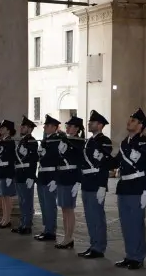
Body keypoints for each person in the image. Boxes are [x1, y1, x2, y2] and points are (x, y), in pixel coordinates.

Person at [114, 108, 146, 270]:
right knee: (126, 224)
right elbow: (116, 161)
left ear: (140, 125)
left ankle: (138, 257)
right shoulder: (125, 142)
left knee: (136, 224)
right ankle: (130, 255)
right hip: (124, 187)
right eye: (129, 119)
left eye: (132, 121)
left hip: (137, 187)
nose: (128, 122)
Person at [78, 110, 113, 259]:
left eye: (92, 122)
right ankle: (93, 244)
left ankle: (99, 247)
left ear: (99, 125)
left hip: (96, 182)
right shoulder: (90, 141)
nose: (89, 124)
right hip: (87, 182)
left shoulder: (104, 141)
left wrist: (102, 185)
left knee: (97, 216)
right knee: (90, 216)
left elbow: (104, 165)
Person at [55, 116, 84, 249]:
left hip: (71, 177)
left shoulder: (79, 142)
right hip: (62, 176)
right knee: (63, 208)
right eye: (67, 126)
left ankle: (69, 237)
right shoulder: (64, 140)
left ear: (77, 129)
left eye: (70, 126)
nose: (67, 128)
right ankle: (66, 236)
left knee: (69, 208)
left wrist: (78, 181)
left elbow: (80, 163)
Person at [35, 115, 64, 242]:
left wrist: (55, 179)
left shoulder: (57, 140)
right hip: (42, 175)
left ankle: (51, 231)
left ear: (54, 127)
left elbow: (59, 160)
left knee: (50, 204)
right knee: (43, 204)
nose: (44, 127)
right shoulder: (45, 140)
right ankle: (46, 228)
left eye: (47, 125)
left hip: (51, 175)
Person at [12, 116, 38, 235]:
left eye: (23, 127)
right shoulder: (22, 141)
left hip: (26, 174)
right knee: (22, 201)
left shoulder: (31, 141)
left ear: (29, 128)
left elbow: (33, 161)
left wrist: (31, 176)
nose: (21, 128)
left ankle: (27, 225)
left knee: (27, 201)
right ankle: (23, 223)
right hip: (19, 174)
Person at [0, 120, 17, 229]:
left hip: (6, 171)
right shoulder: (1, 141)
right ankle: (4, 217)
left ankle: (7, 219)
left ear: (8, 130)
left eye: (3, 128)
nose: (1, 130)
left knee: (7, 197)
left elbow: (12, 160)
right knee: (3, 196)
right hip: (0, 171)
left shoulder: (10, 142)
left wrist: (10, 175)